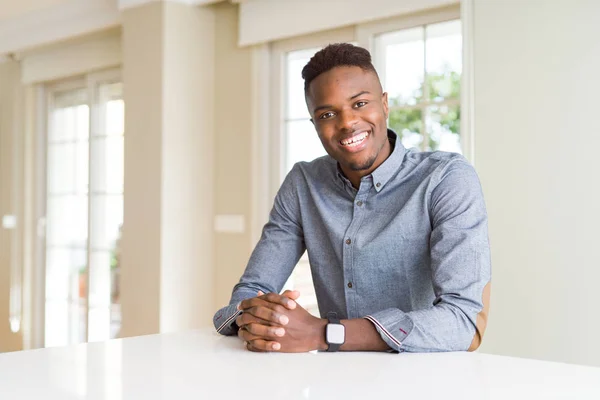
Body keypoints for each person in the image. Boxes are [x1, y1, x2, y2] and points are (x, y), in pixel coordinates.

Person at [213, 43, 491, 353]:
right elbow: (248, 295)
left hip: (426, 381)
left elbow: (464, 324)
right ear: (315, 125)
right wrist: (267, 317)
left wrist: (325, 333)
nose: (346, 123)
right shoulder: (303, 184)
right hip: (335, 382)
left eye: (359, 103)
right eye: (328, 114)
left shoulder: (446, 179)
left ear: (384, 104)